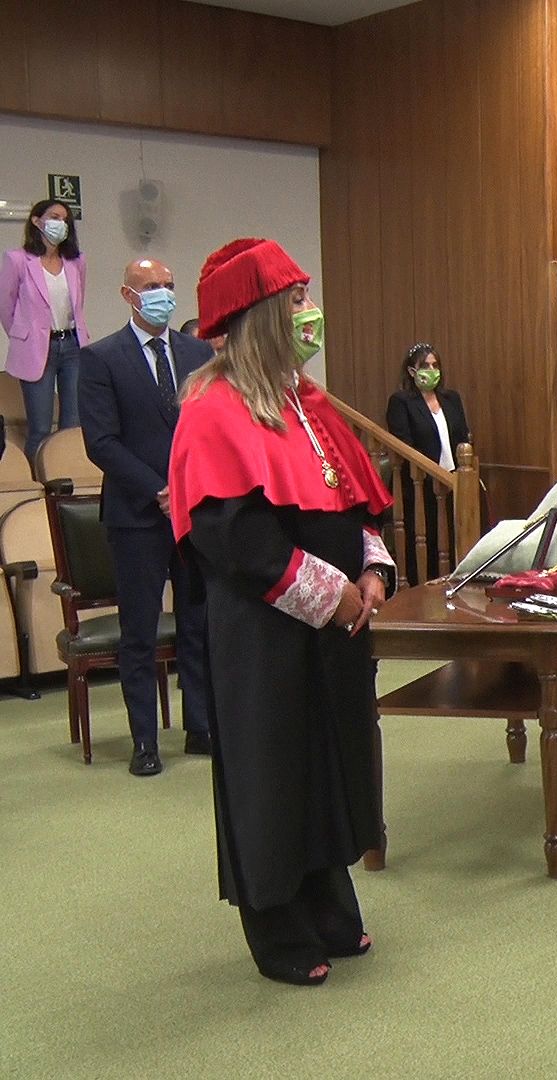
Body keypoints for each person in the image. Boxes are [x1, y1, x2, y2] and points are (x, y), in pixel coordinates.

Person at [167, 238, 396, 986]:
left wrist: (371, 570)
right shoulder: (211, 408)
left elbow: (356, 497)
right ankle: (279, 932)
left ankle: (331, 908)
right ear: (261, 314)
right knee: (274, 775)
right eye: (295, 300)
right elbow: (234, 537)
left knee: (328, 763)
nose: (307, 311)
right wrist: (330, 598)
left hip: (334, 630)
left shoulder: (308, 401)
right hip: (266, 631)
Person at [77, 258, 215, 776]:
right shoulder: (101, 359)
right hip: (136, 515)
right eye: (151, 286)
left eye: (168, 286)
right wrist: (160, 489)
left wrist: (189, 488)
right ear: (128, 295)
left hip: (194, 512)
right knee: (140, 630)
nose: (162, 293)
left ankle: (199, 726)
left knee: (198, 623)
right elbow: (102, 443)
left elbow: (208, 429)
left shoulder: (197, 353)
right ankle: (144, 741)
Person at [1, 199, 90, 460]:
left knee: (72, 424)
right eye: (53, 217)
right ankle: (39, 481)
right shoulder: (17, 259)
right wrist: (23, 336)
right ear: (36, 221)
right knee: (40, 426)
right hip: (37, 348)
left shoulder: (76, 261)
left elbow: (78, 301)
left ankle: (67, 474)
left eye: (64, 219)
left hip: (72, 345)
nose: (59, 224)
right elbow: (5, 306)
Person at [384, 342, 472, 583]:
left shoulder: (451, 398)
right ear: (412, 371)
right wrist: (433, 473)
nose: (431, 370)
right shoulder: (401, 401)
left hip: (452, 480)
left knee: (453, 540)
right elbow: (404, 444)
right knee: (427, 542)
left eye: (435, 365)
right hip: (420, 484)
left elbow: (463, 435)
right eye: (425, 366)